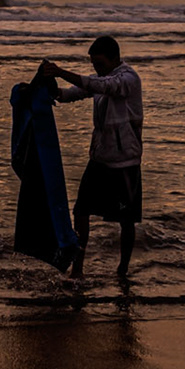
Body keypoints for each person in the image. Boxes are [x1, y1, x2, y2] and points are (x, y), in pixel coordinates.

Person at [38, 36, 142, 279]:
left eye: (100, 64)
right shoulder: (101, 78)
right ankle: (78, 268)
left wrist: (61, 71)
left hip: (125, 161)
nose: (96, 69)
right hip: (99, 158)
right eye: (93, 64)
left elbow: (101, 86)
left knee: (126, 220)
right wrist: (45, 87)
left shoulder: (127, 79)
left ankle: (123, 269)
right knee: (81, 210)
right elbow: (69, 94)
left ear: (115, 59)